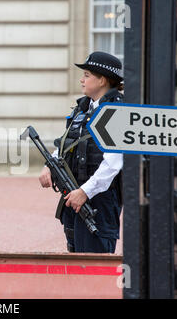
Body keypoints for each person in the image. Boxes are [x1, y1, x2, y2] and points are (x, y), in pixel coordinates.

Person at [39, 51, 124, 253]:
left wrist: (85, 192)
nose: (81, 79)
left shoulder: (118, 111)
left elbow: (113, 164)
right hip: (74, 194)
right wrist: (48, 165)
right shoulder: (82, 108)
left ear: (102, 79)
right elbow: (65, 142)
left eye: (87, 75)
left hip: (98, 200)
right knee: (75, 257)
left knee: (94, 260)